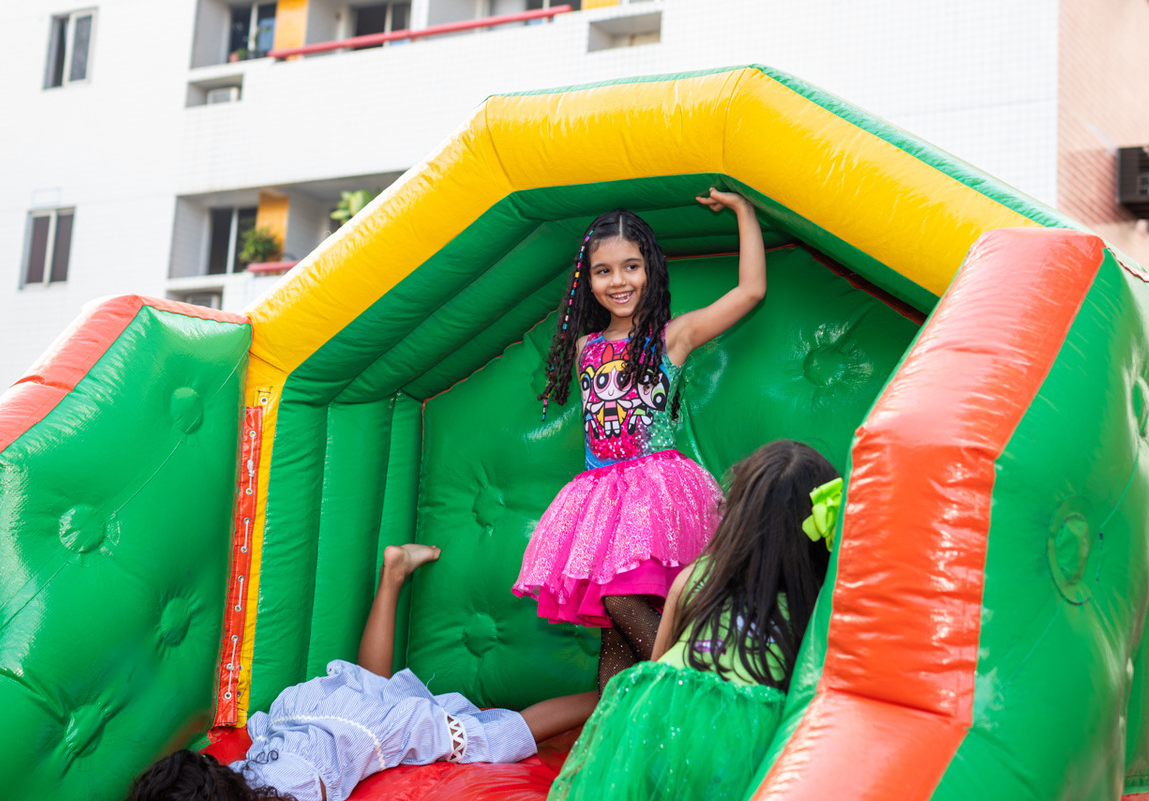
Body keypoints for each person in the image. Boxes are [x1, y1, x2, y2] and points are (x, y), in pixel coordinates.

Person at [512, 189, 768, 692]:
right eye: (603, 271)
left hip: (656, 493)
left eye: (630, 266)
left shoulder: (674, 336)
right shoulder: (587, 346)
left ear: (650, 269)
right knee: (613, 638)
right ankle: (610, 738)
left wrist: (744, 211)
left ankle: (693, 691)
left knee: (620, 600)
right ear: (588, 280)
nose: (618, 281)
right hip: (600, 498)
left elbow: (750, 292)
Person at [127, 544, 598, 801]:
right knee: (371, 687)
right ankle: (392, 572)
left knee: (489, 736)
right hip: (307, 713)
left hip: (358, 730)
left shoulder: (286, 798)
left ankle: (615, 690)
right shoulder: (229, 777)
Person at [546, 440, 841, 801]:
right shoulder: (818, 603)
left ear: (736, 516)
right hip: (741, 741)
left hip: (651, 728)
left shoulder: (698, 577)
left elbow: (654, 670)